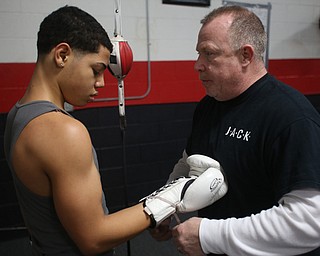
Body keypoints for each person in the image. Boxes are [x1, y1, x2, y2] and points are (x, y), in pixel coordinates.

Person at [3, 5, 227, 256]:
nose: (100, 83)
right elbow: (94, 238)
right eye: (96, 70)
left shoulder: (18, 114)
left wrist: (157, 210)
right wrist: (175, 195)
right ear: (62, 55)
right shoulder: (63, 131)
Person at [151, 5, 320, 256]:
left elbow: (309, 222)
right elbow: (189, 162)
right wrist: (165, 206)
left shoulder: (291, 117)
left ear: (245, 56)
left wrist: (210, 236)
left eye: (209, 54)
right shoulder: (210, 104)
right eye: (198, 54)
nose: (198, 65)